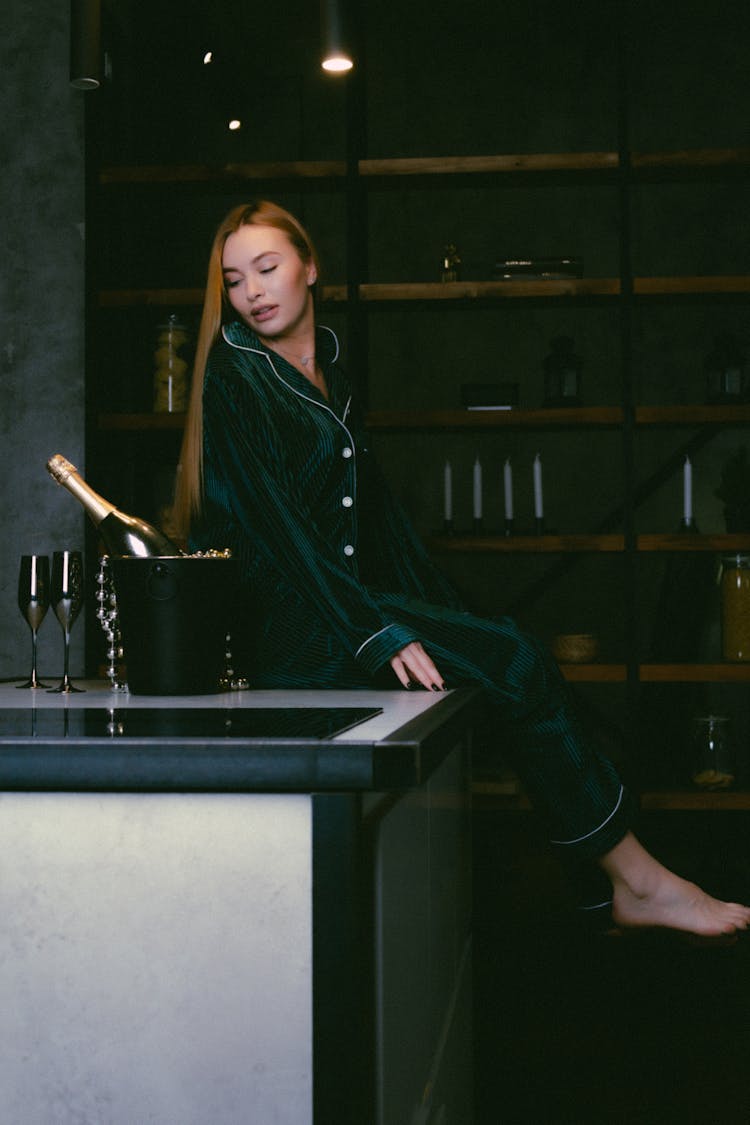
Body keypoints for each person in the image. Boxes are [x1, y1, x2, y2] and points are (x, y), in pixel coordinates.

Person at [173, 200, 750, 940]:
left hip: (349, 608)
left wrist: (450, 614)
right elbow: (281, 532)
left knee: (506, 651)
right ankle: (641, 882)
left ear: (310, 267)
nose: (253, 291)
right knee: (513, 657)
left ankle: (614, 886)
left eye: (267, 266)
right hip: (297, 631)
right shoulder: (235, 375)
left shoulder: (332, 374)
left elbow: (381, 526)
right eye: (235, 278)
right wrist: (378, 631)